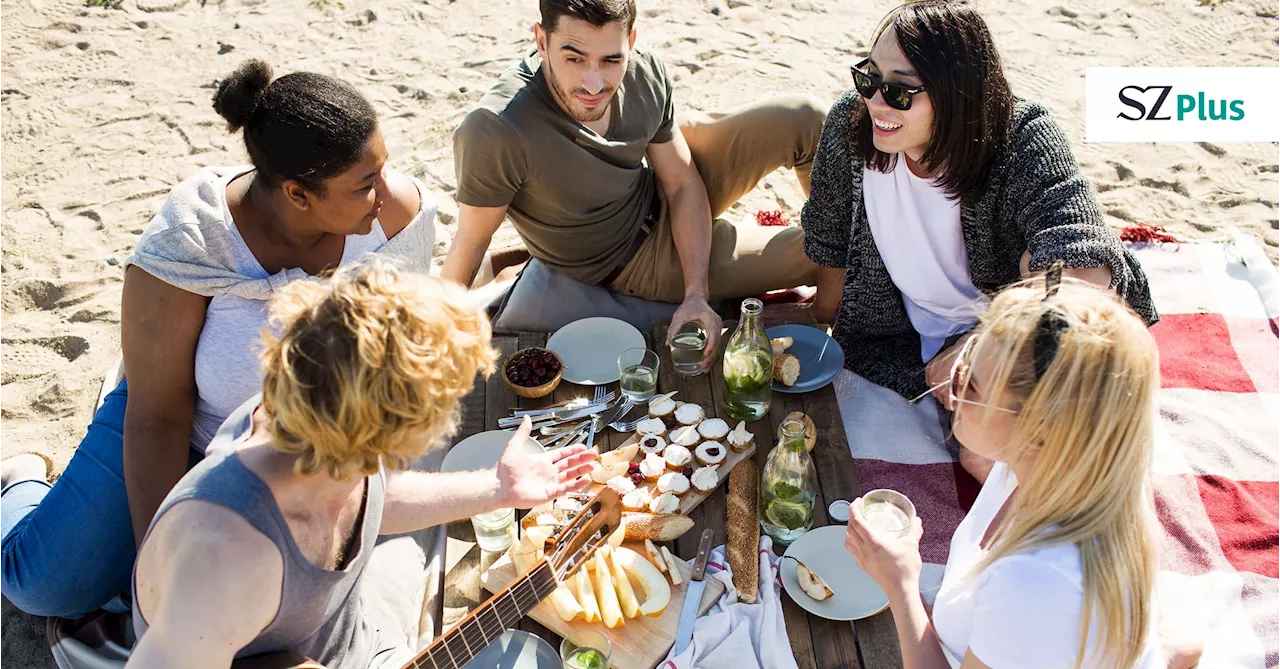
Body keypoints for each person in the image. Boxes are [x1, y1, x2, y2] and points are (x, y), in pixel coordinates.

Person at [0, 59, 435, 618]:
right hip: (182, 426)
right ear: (299, 195)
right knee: (45, 589)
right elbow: (157, 416)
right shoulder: (194, 236)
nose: (384, 191)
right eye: (364, 184)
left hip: (307, 444)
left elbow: (397, 357)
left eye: (382, 169)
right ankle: (20, 481)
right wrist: (165, 563)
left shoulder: (394, 217)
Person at [127, 259, 595, 669]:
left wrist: (496, 488)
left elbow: (372, 497)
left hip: (362, 638)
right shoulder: (220, 560)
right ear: (390, 433)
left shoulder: (322, 425)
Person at [799, 1, 1156, 478]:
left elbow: (1082, 262)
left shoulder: (1024, 139)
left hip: (1009, 345)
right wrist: (823, 318)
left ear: (957, 94)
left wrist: (976, 348)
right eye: (869, 77)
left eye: (901, 91)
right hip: (897, 337)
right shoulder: (853, 124)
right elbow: (829, 235)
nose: (876, 102)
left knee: (985, 457)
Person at [444, 0, 828, 359]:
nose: (594, 84)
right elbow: (472, 238)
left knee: (805, 117)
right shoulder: (497, 128)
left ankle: (840, 264)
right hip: (634, 260)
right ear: (541, 41)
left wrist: (696, 293)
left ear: (631, 41)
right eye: (574, 58)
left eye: (611, 59)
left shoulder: (643, 69)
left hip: (656, 184)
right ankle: (840, 291)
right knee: (820, 251)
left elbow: (681, 182)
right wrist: (432, 327)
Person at [844, 272, 1164, 668]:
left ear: (1038, 433)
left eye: (971, 385)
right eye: (966, 356)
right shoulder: (1075, 464)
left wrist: (901, 582)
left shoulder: (1036, 581)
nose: (950, 378)